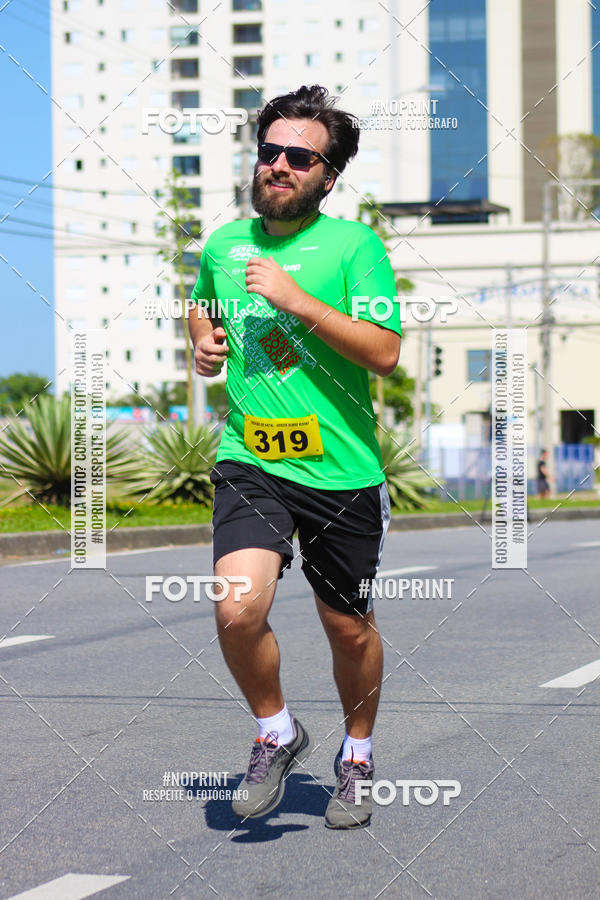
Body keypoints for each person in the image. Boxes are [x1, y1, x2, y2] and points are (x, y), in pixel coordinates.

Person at [188, 84, 402, 830]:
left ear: (327, 176)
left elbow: (385, 354)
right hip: (252, 459)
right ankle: (275, 732)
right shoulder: (225, 243)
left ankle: (357, 751)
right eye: (269, 151)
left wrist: (297, 300)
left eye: (298, 156)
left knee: (347, 627)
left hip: (343, 473)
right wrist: (202, 341)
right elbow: (203, 302)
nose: (278, 164)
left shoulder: (355, 247)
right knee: (236, 606)